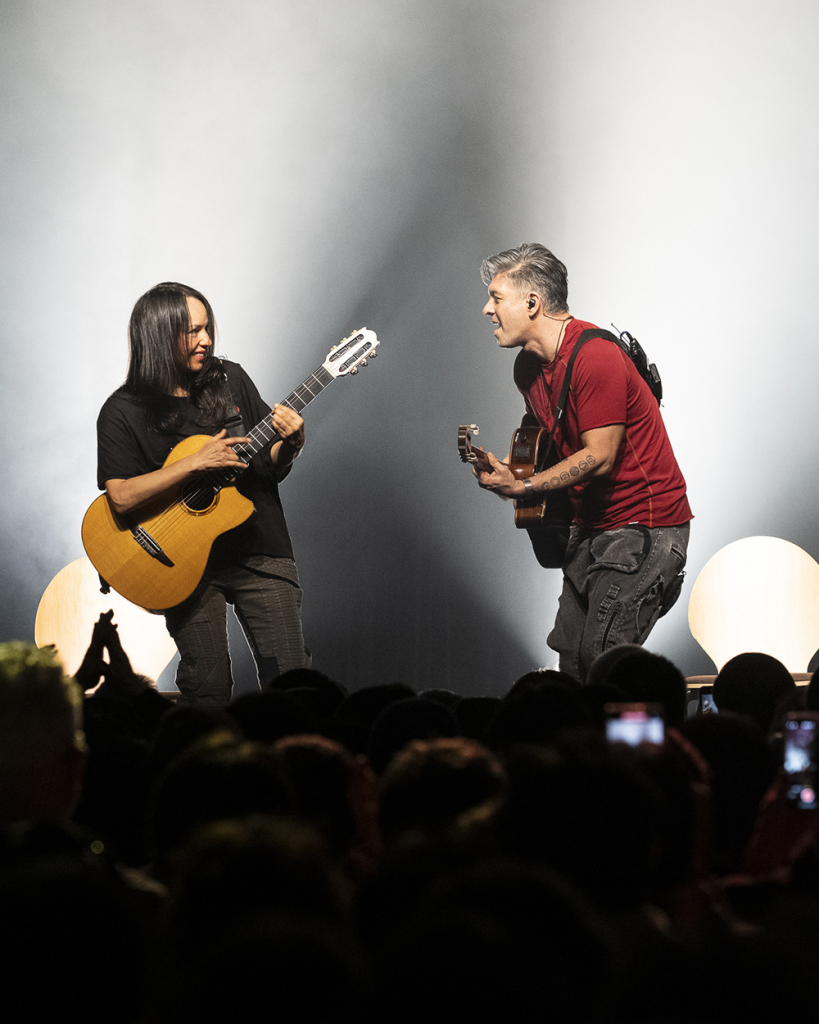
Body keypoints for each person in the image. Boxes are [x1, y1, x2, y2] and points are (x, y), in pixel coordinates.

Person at [473, 244, 692, 681]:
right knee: (572, 667)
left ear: (532, 302)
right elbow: (552, 441)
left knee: (604, 663)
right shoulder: (527, 369)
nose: (486, 310)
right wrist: (512, 470)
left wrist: (527, 488)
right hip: (590, 530)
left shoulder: (594, 355)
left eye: (496, 298)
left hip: (643, 528)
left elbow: (600, 457)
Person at [95, 282, 309, 707]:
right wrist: (193, 463)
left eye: (207, 328)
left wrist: (291, 444)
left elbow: (267, 464)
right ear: (158, 333)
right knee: (207, 689)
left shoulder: (231, 381)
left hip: (258, 548)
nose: (206, 340)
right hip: (182, 564)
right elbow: (119, 497)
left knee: (294, 685)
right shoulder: (122, 410)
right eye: (192, 331)